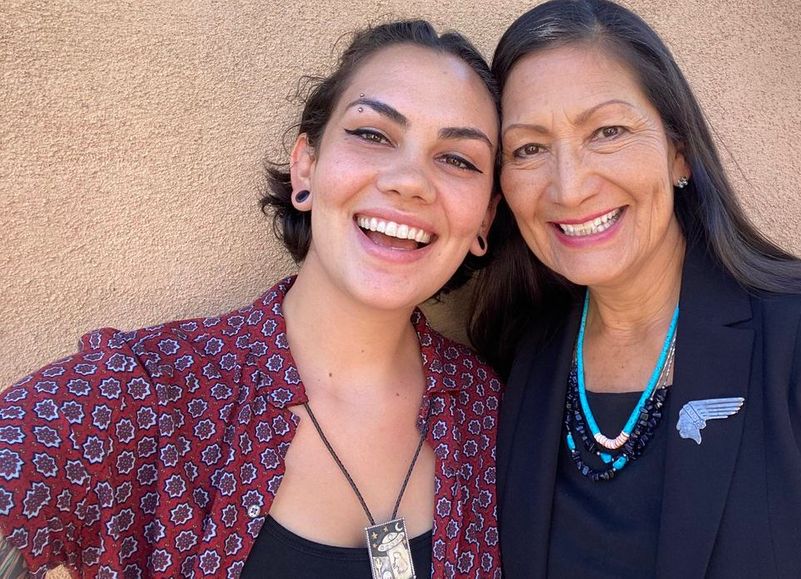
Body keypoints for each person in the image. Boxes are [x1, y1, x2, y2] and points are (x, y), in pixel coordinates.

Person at [469, 0, 801, 577]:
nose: (568, 188)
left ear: (679, 151)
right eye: (528, 148)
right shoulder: (521, 362)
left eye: (608, 131)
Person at [0, 20, 502, 578]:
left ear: (485, 217)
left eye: (458, 159)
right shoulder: (146, 395)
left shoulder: (495, 419)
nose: (410, 180)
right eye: (373, 134)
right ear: (306, 168)